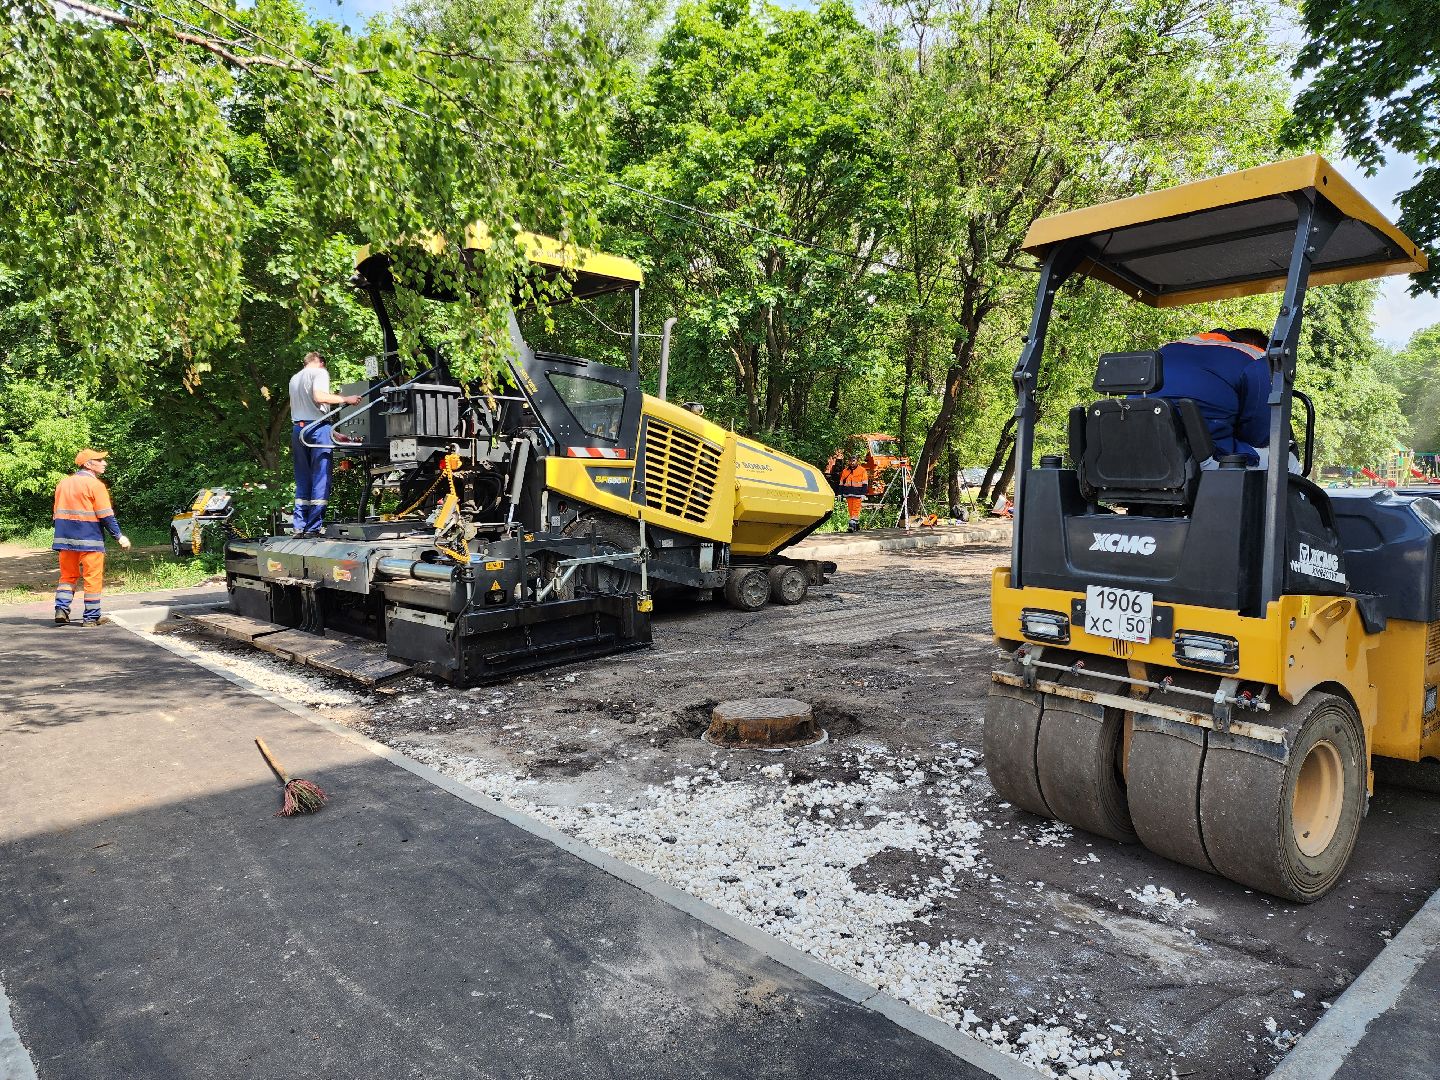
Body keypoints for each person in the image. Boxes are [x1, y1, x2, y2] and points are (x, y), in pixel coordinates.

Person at [1154, 328, 1270, 465]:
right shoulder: (1256, 358)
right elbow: (1258, 436)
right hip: (1201, 456)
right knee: (1287, 460)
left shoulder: (1165, 350)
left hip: (1138, 448)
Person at [52, 449, 130, 626]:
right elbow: (106, 515)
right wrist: (118, 536)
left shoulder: (63, 484)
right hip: (90, 540)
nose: (104, 463)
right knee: (92, 578)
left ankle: (61, 610)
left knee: (67, 576)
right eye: (100, 460)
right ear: (88, 464)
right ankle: (91, 617)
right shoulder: (96, 485)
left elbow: (56, 513)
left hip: (65, 540)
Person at [288, 351, 360, 536]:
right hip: (317, 431)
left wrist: (332, 432)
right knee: (321, 478)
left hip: (299, 430)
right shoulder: (319, 372)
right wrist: (346, 399)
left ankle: (299, 526)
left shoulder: (294, 378)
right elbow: (319, 397)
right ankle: (313, 528)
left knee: (303, 478)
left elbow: (309, 413)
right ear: (320, 362)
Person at [837, 456, 869, 533]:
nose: (852, 462)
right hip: (848, 493)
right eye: (850, 461)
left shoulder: (862, 470)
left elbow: (865, 483)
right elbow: (841, 483)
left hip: (858, 493)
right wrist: (840, 493)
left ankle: (852, 524)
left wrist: (863, 494)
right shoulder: (845, 471)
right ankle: (856, 525)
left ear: (857, 461)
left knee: (856, 508)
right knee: (850, 509)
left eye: (853, 461)